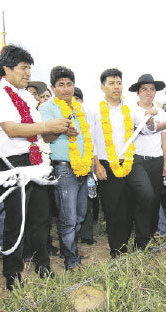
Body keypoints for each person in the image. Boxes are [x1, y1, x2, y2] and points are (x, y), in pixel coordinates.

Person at [0, 44, 72, 290]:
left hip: (37, 161)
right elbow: (11, 129)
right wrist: (48, 126)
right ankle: (12, 273)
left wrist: (58, 130)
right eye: (23, 68)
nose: (28, 73)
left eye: (29, 68)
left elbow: (39, 136)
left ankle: (43, 265)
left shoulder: (27, 97)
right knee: (15, 222)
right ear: (6, 68)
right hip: (13, 164)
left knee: (41, 219)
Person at [90, 68, 160, 257]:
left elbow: (147, 129)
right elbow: (90, 140)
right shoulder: (94, 110)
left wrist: (150, 117)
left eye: (119, 83)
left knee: (148, 195)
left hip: (131, 161)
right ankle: (118, 249)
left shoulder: (130, 109)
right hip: (106, 163)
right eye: (111, 83)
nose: (116, 87)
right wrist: (96, 165)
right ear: (102, 87)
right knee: (115, 208)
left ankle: (142, 240)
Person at [39, 66, 90, 271]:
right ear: (52, 87)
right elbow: (44, 137)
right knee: (68, 217)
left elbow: (86, 138)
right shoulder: (47, 108)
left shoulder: (79, 108)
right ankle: (71, 259)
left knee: (80, 215)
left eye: (69, 84)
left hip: (82, 167)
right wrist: (61, 130)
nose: (66, 89)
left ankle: (69, 248)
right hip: (63, 168)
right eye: (61, 85)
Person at [128, 74, 166, 237]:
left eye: (152, 89)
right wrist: (160, 124)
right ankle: (140, 236)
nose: (148, 92)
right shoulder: (131, 111)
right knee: (145, 196)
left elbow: (165, 137)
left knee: (155, 198)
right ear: (138, 92)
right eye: (144, 89)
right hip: (137, 160)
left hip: (156, 160)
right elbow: (145, 129)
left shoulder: (161, 112)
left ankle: (150, 234)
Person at [74, 87, 99, 245]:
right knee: (72, 202)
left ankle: (87, 234)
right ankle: (73, 238)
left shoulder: (88, 115)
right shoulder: (63, 116)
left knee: (88, 198)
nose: (75, 102)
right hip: (69, 164)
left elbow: (93, 138)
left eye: (78, 99)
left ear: (82, 101)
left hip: (88, 163)